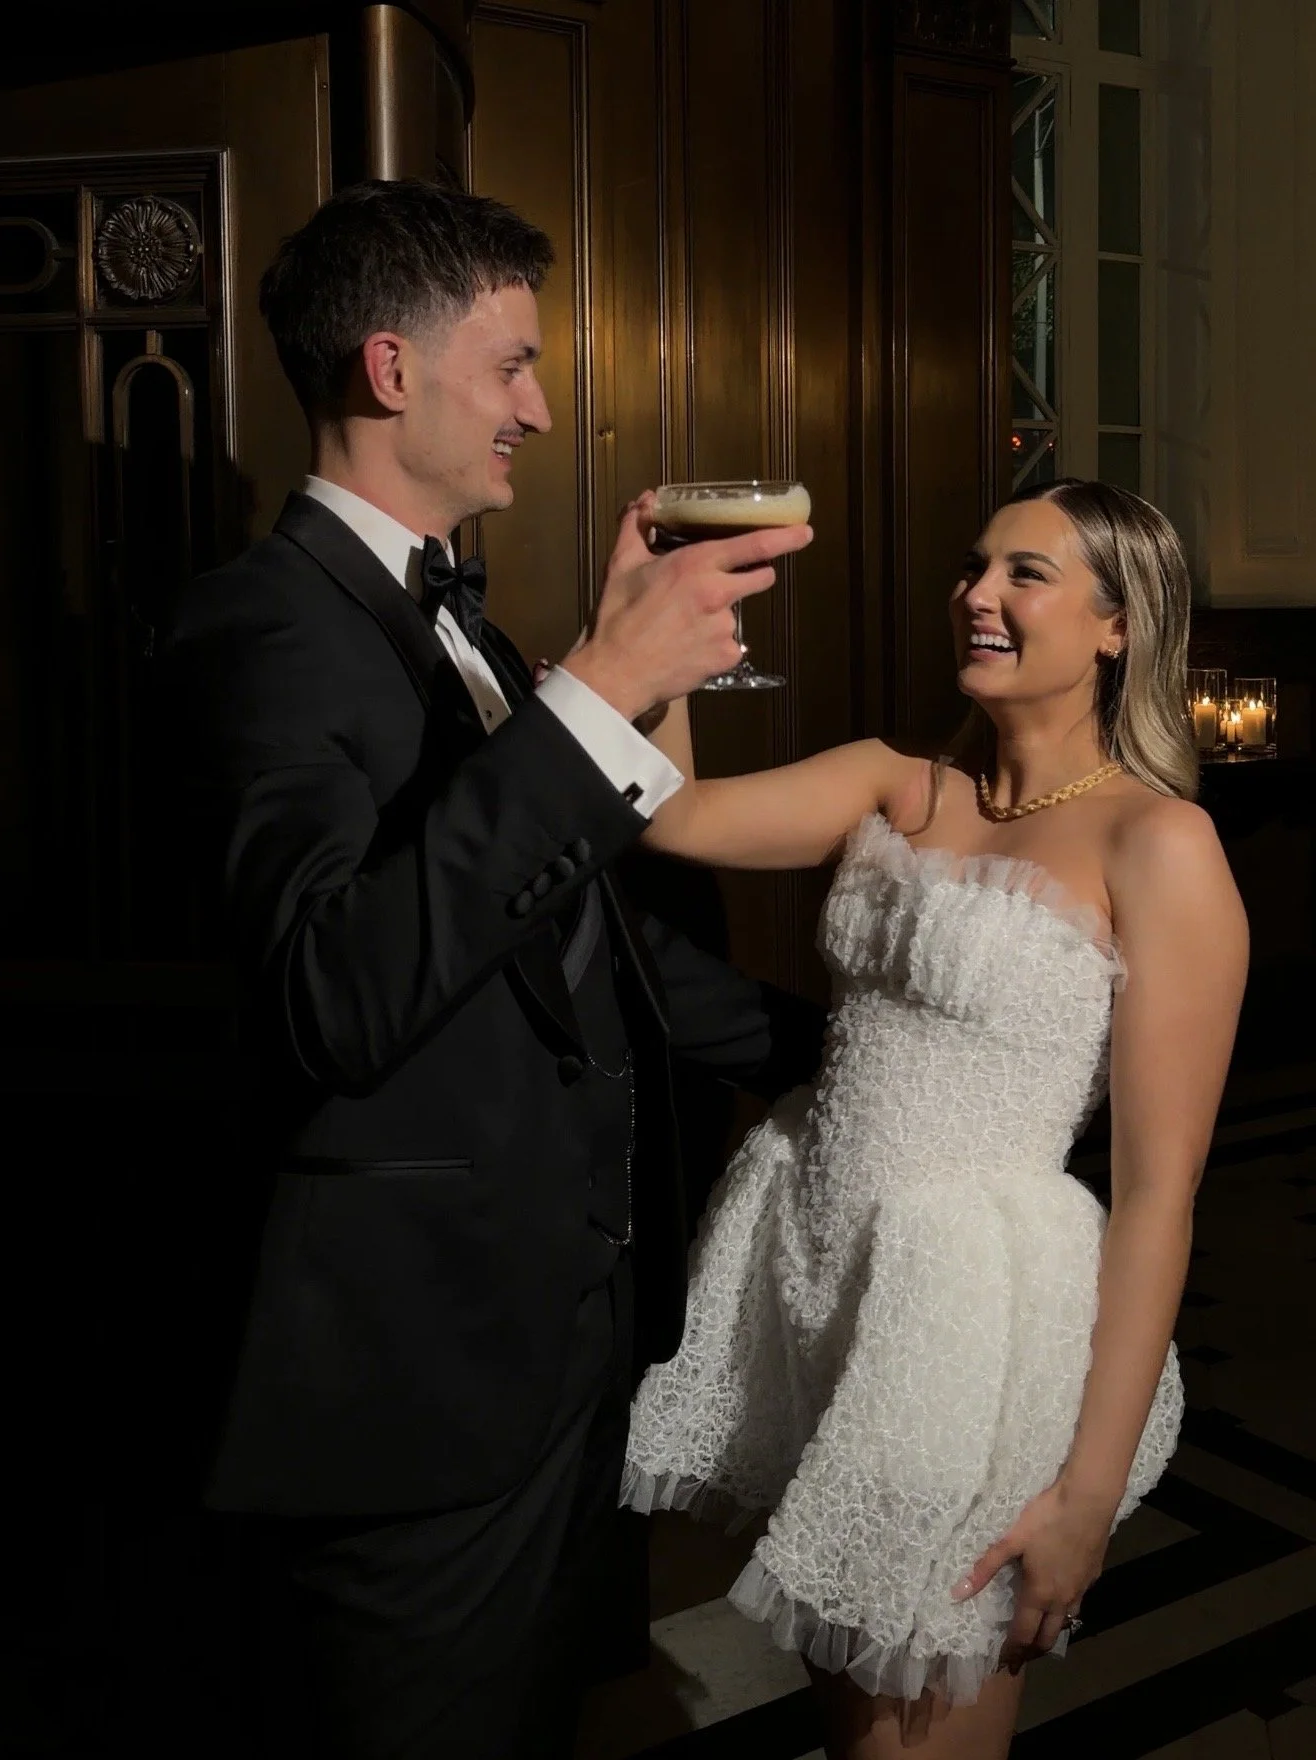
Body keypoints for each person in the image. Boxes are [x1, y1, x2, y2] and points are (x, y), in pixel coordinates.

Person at [158, 178, 824, 1760]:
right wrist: (595, 689)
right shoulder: (263, 630)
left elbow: (579, 938)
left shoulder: (466, 628)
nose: (538, 407)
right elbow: (339, 990)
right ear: (394, 372)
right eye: (511, 365)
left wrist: (839, 1055)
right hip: (417, 1386)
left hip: (564, 1344)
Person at [620, 478, 1248, 1759]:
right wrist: (660, 617)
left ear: (1118, 625)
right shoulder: (895, 782)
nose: (976, 594)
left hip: (968, 1332)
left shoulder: (1159, 842)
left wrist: (1081, 1497)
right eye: (976, 567)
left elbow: (1156, 1197)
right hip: (818, 1289)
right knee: (855, 1725)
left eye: (1027, 573)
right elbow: (674, 812)